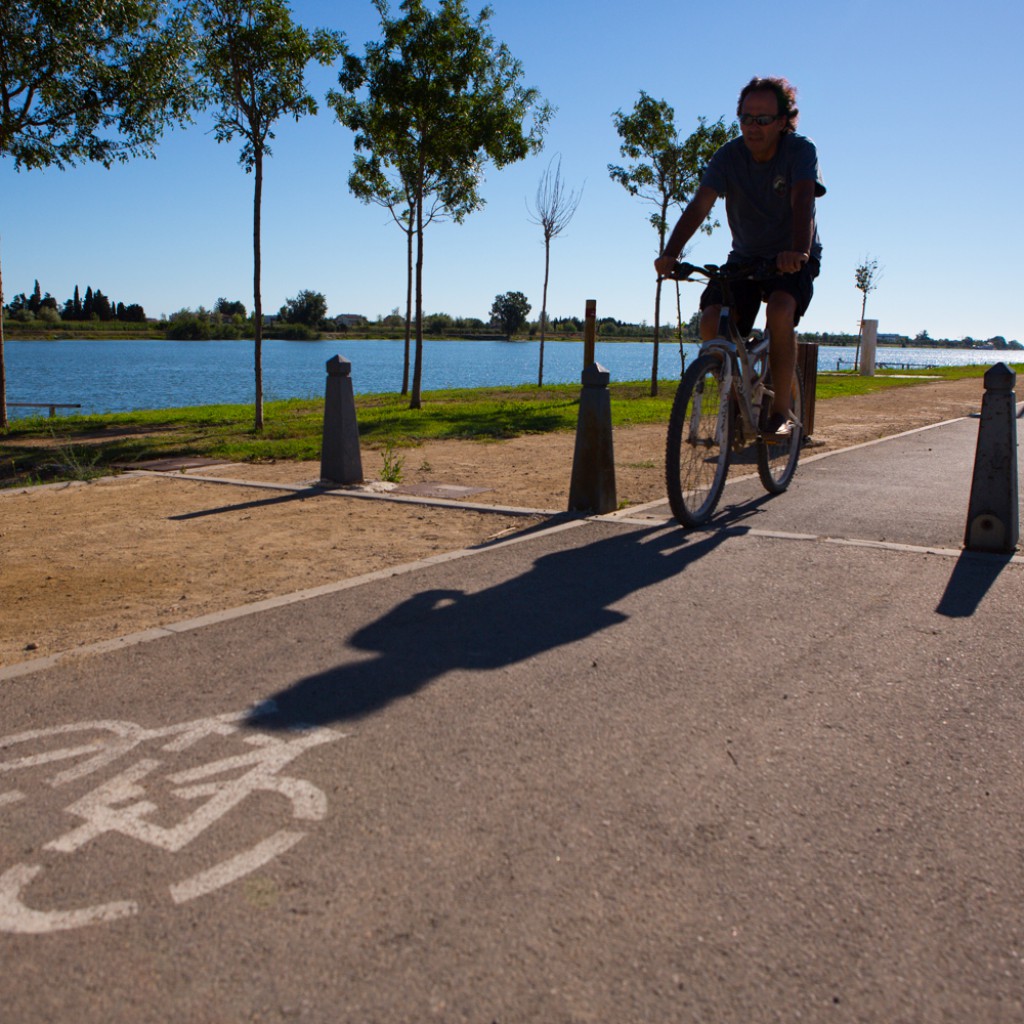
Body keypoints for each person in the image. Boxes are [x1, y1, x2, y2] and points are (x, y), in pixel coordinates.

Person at [654, 76, 826, 436]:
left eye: (763, 119)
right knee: (711, 321)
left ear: (782, 121)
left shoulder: (800, 151)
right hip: (746, 258)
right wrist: (670, 253)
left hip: (791, 255)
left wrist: (799, 251)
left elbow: (803, 202)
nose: (754, 127)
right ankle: (736, 397)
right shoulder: (728, 157)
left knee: (780, 310)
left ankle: (780, 410)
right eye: (746, 118)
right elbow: (700, 204)